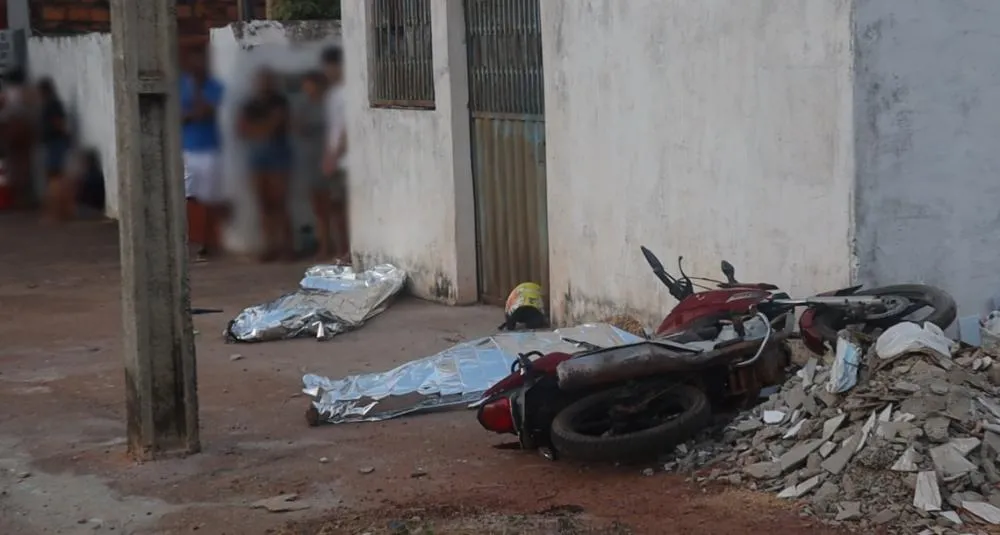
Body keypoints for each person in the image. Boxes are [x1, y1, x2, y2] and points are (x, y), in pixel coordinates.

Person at [239, 68, 293, 262]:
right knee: (263, 204)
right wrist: (263, 129)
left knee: (279, 202)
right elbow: (242, 130)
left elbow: (276, 125)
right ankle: (270, 246)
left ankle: (287, 246)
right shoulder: (250, 104)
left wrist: (259, 130)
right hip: (257, 158)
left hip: (278, 157)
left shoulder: (279, 102)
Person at [179, 45, 225, 261]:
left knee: (208, 197)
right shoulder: (181, 84)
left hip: (209, 149)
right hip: (187, 148)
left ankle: (209, 242)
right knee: (189, 195)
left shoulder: (214, 86)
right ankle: (194, 238)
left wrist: (195, 99)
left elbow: (204, 112)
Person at [293, 70, 333, 259]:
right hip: (311, 160)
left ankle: (334, 247)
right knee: (319, 209)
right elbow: (296, 127)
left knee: (333, 207)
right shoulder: (303, 105)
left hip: (329, 158)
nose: (307, 89)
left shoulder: (330, 104)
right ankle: (324, 246)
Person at [321, 46, 349, 263]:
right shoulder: (331, 93)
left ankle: (347, 251)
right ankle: (342, 250)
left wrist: (334, 156)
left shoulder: (347, 92)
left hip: (345, 161)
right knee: (336, 207)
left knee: (345, 208)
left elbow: (346, 129)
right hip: (335, 158)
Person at [36, 78, 74, 222]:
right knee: (56, 177)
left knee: (54, 177)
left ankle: (57, 212)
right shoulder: (51, 104)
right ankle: (62, 211)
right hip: (54, 143)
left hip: (55, 143)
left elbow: (59, 123)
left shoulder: (51, 105)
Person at [0, 69, 37, 209]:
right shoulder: (27, 93)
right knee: (24, 165)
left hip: (12, 128)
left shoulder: (8, 94)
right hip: (25, 129)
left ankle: (17, 198)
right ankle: (23, 197)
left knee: (14, 165)